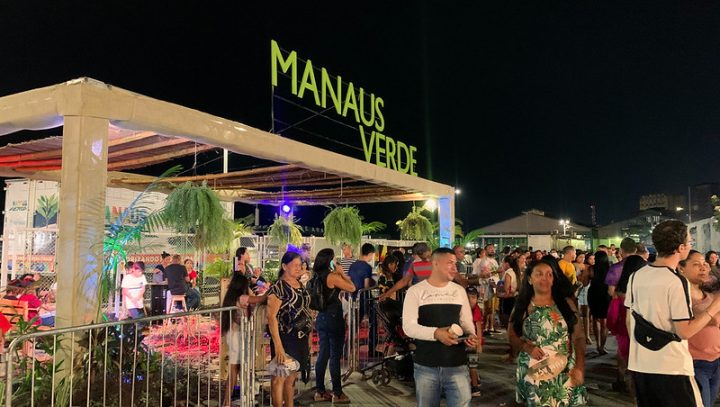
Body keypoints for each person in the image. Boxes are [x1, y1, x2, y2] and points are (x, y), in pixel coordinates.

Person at [625, 220, 720, 406]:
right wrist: (715, 307)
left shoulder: (637, 276)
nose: (690, 245)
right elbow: (684, 331)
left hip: (641, 365)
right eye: (690, 242)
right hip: (671, 367)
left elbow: (629, 320)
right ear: (681, 248)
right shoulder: (675, 281)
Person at [403, 247, 478, 407]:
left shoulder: (459, 291)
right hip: (426, 365)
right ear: (435, 263)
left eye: (455, 263)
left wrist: (471, 334)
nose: (454, 268)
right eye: (450, 263)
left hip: (457, 364)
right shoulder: (415, 292)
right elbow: (409, 327)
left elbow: (466, 321)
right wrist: (436, 333)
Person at [508, 259, 587, 406]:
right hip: (535, 373)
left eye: (549, 274)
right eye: (539, 274)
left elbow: (579, 337)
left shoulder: (565, 304)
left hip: (564, 371)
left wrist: (580, 367)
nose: (545, 278)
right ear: (530, 279)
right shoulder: (523, 306)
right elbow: (511, 335)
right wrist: (526, 347)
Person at [267, 251, 312, 407]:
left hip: (300, 338)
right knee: (279, 377)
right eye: (295, 265)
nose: (298, 268)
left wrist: (309, 337)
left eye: (300, 265)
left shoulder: (300, 285)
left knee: (292, 377)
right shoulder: (279, 288)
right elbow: (271, 317)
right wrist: (278, 346)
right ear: (284, 266)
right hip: (285, 338)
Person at [313, 248, 356, 403]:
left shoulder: (316, 276)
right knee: (335, 356)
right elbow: (352, 288)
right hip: (333, 317)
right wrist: (342, 273)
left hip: (321, 316)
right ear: (330, 261)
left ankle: (320, 391)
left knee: (323, 354)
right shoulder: (332, 277)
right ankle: (337, 393)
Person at [679, 250, 720, 407]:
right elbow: (714, 320)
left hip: (716, 360)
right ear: (681, 268)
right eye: (696, 264)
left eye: (704, 264)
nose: (703, 268)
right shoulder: (681, 296)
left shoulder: (708, 294)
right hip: (695, 363)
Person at [221, 273, 265, 407]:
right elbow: (262, 298)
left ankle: (231, 400)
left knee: (237, 368)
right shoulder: (243, 297)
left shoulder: (230, 298)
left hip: (234, 335)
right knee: (235, 368)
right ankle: (228, 401)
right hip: (238, 336)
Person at [607, 255, 646, 393]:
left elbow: (612, 315)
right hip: (643, 329)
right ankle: (637, 385)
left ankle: (622, 380)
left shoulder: (619, 292)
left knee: (623, 355)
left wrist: (613, 328)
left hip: (623, 329)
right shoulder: (645, 289)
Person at [587, 251, 611, 355]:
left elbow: (585, 282)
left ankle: (597, 345)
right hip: (606, 294)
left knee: (595, 319)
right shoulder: (610, 269)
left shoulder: (591, 268)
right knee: (604, 322)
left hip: (594, 294)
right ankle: (602, 346)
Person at [467, 286, 483, 397]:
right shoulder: (464, 308)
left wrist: (479, 343)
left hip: (473, 343)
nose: (470, 300)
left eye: (473, 297)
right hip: (466, 341)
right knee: (470, 365)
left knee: (472, 366)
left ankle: (475, 387)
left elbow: (479, 328)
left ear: (477, 298)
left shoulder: (476, 310)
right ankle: (476, 380)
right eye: (468, 297)